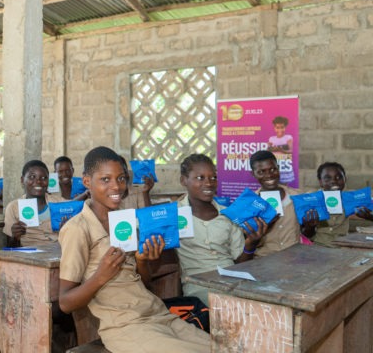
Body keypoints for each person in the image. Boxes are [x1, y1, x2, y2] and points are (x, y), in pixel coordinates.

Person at [58, 147, 210, 352]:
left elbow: (143, 285)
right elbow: (65, 303)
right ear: (87, 182)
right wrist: (100, 276)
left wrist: (142, 260)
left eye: (121, 179)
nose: (117, 186)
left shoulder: (125, 221)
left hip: (157, 314)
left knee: (224, 347)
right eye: (105, 179)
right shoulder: (77, 229)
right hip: (125, 326)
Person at [175, 154, 266, 305]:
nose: (209, 183)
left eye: (213, 178)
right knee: (229, 309)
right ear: (183, 180)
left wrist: (251, 244)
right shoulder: (174, 214)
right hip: (199, 285)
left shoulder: (228, 214)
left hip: (234, 280)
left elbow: (239, 261)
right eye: (200, 178)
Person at [249, 150, 314, 257]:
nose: (269, 175)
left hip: (295, 258)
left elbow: (308, 234)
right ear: (253, 174)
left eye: (272, 169)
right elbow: (250, 243)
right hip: (264, 261)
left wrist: (310, 226)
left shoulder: (297, 196)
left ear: (278, 168)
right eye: (261, 172)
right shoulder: (251, 204)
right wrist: (265, 227)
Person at [3, 160, 65, 247]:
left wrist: (67, 230)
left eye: (44, 178)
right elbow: (10, 247)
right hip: (27, 255)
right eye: (32, 177)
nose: (38, 181)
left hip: (57, 253)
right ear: (22, 180)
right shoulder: (13, 207)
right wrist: (15, 236)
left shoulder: (60, 203)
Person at [311, 162, 351, 247]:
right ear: (320, 182)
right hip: (318, 246)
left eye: (338, 177)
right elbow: (306, 233)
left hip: (343, 247)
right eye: (327, 178)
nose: (333, 181)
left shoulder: (349, 199)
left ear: (345, 179)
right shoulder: (312, 201)